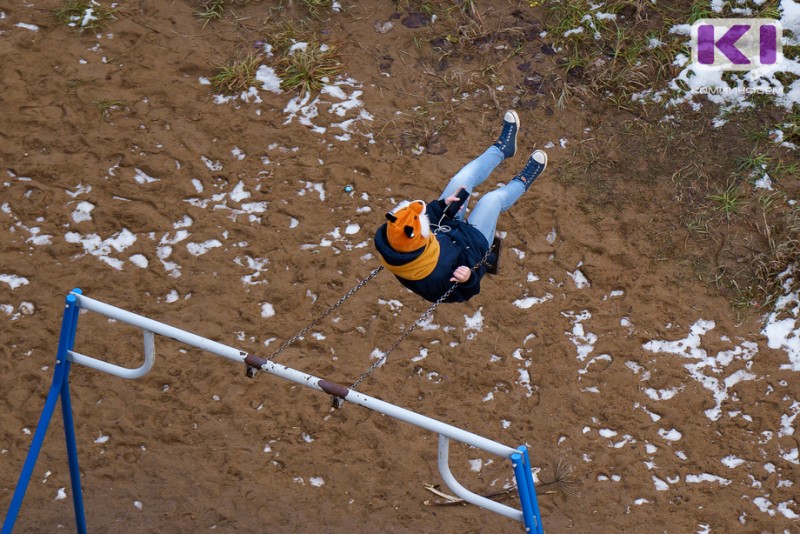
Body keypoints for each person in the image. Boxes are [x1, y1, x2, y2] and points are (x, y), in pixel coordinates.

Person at [374, 110, 548, 303]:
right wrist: (467, 279)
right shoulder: (433, 280)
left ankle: (501, 150)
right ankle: (522, 181)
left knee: (461, 180)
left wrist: (441, 206)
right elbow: (464, 293)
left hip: (444, 225)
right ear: (418, 239)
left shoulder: (393, 236)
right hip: (472, 246)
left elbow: (422, 220)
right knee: (491, 200)